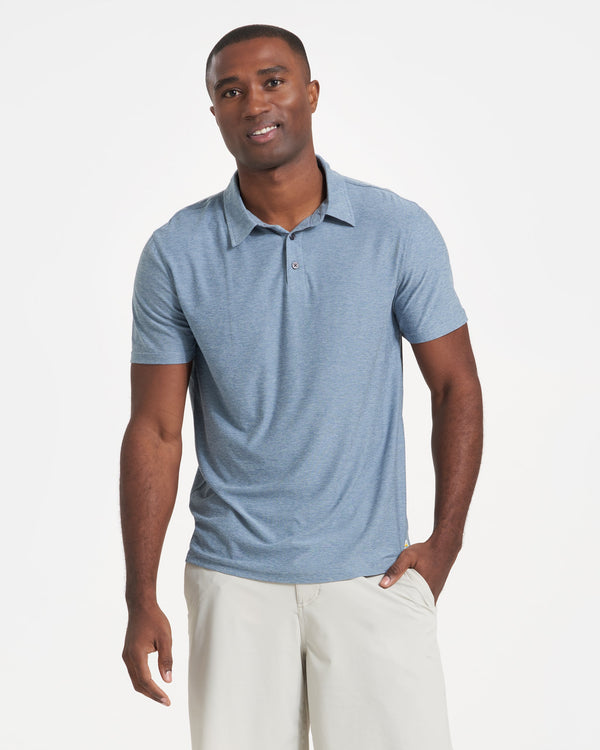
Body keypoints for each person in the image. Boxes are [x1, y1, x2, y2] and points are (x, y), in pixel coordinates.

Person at [120, 23, 483, 750]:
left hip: (373, 578)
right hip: (232, 581)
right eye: (231, 91)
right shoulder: (177, 252)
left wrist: (444, 545)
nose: (255, 103)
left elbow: (456, 388)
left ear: (310, 93)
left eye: (272, 81)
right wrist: (141, 595)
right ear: (215, 112)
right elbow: (155, 431)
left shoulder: (395, 229)